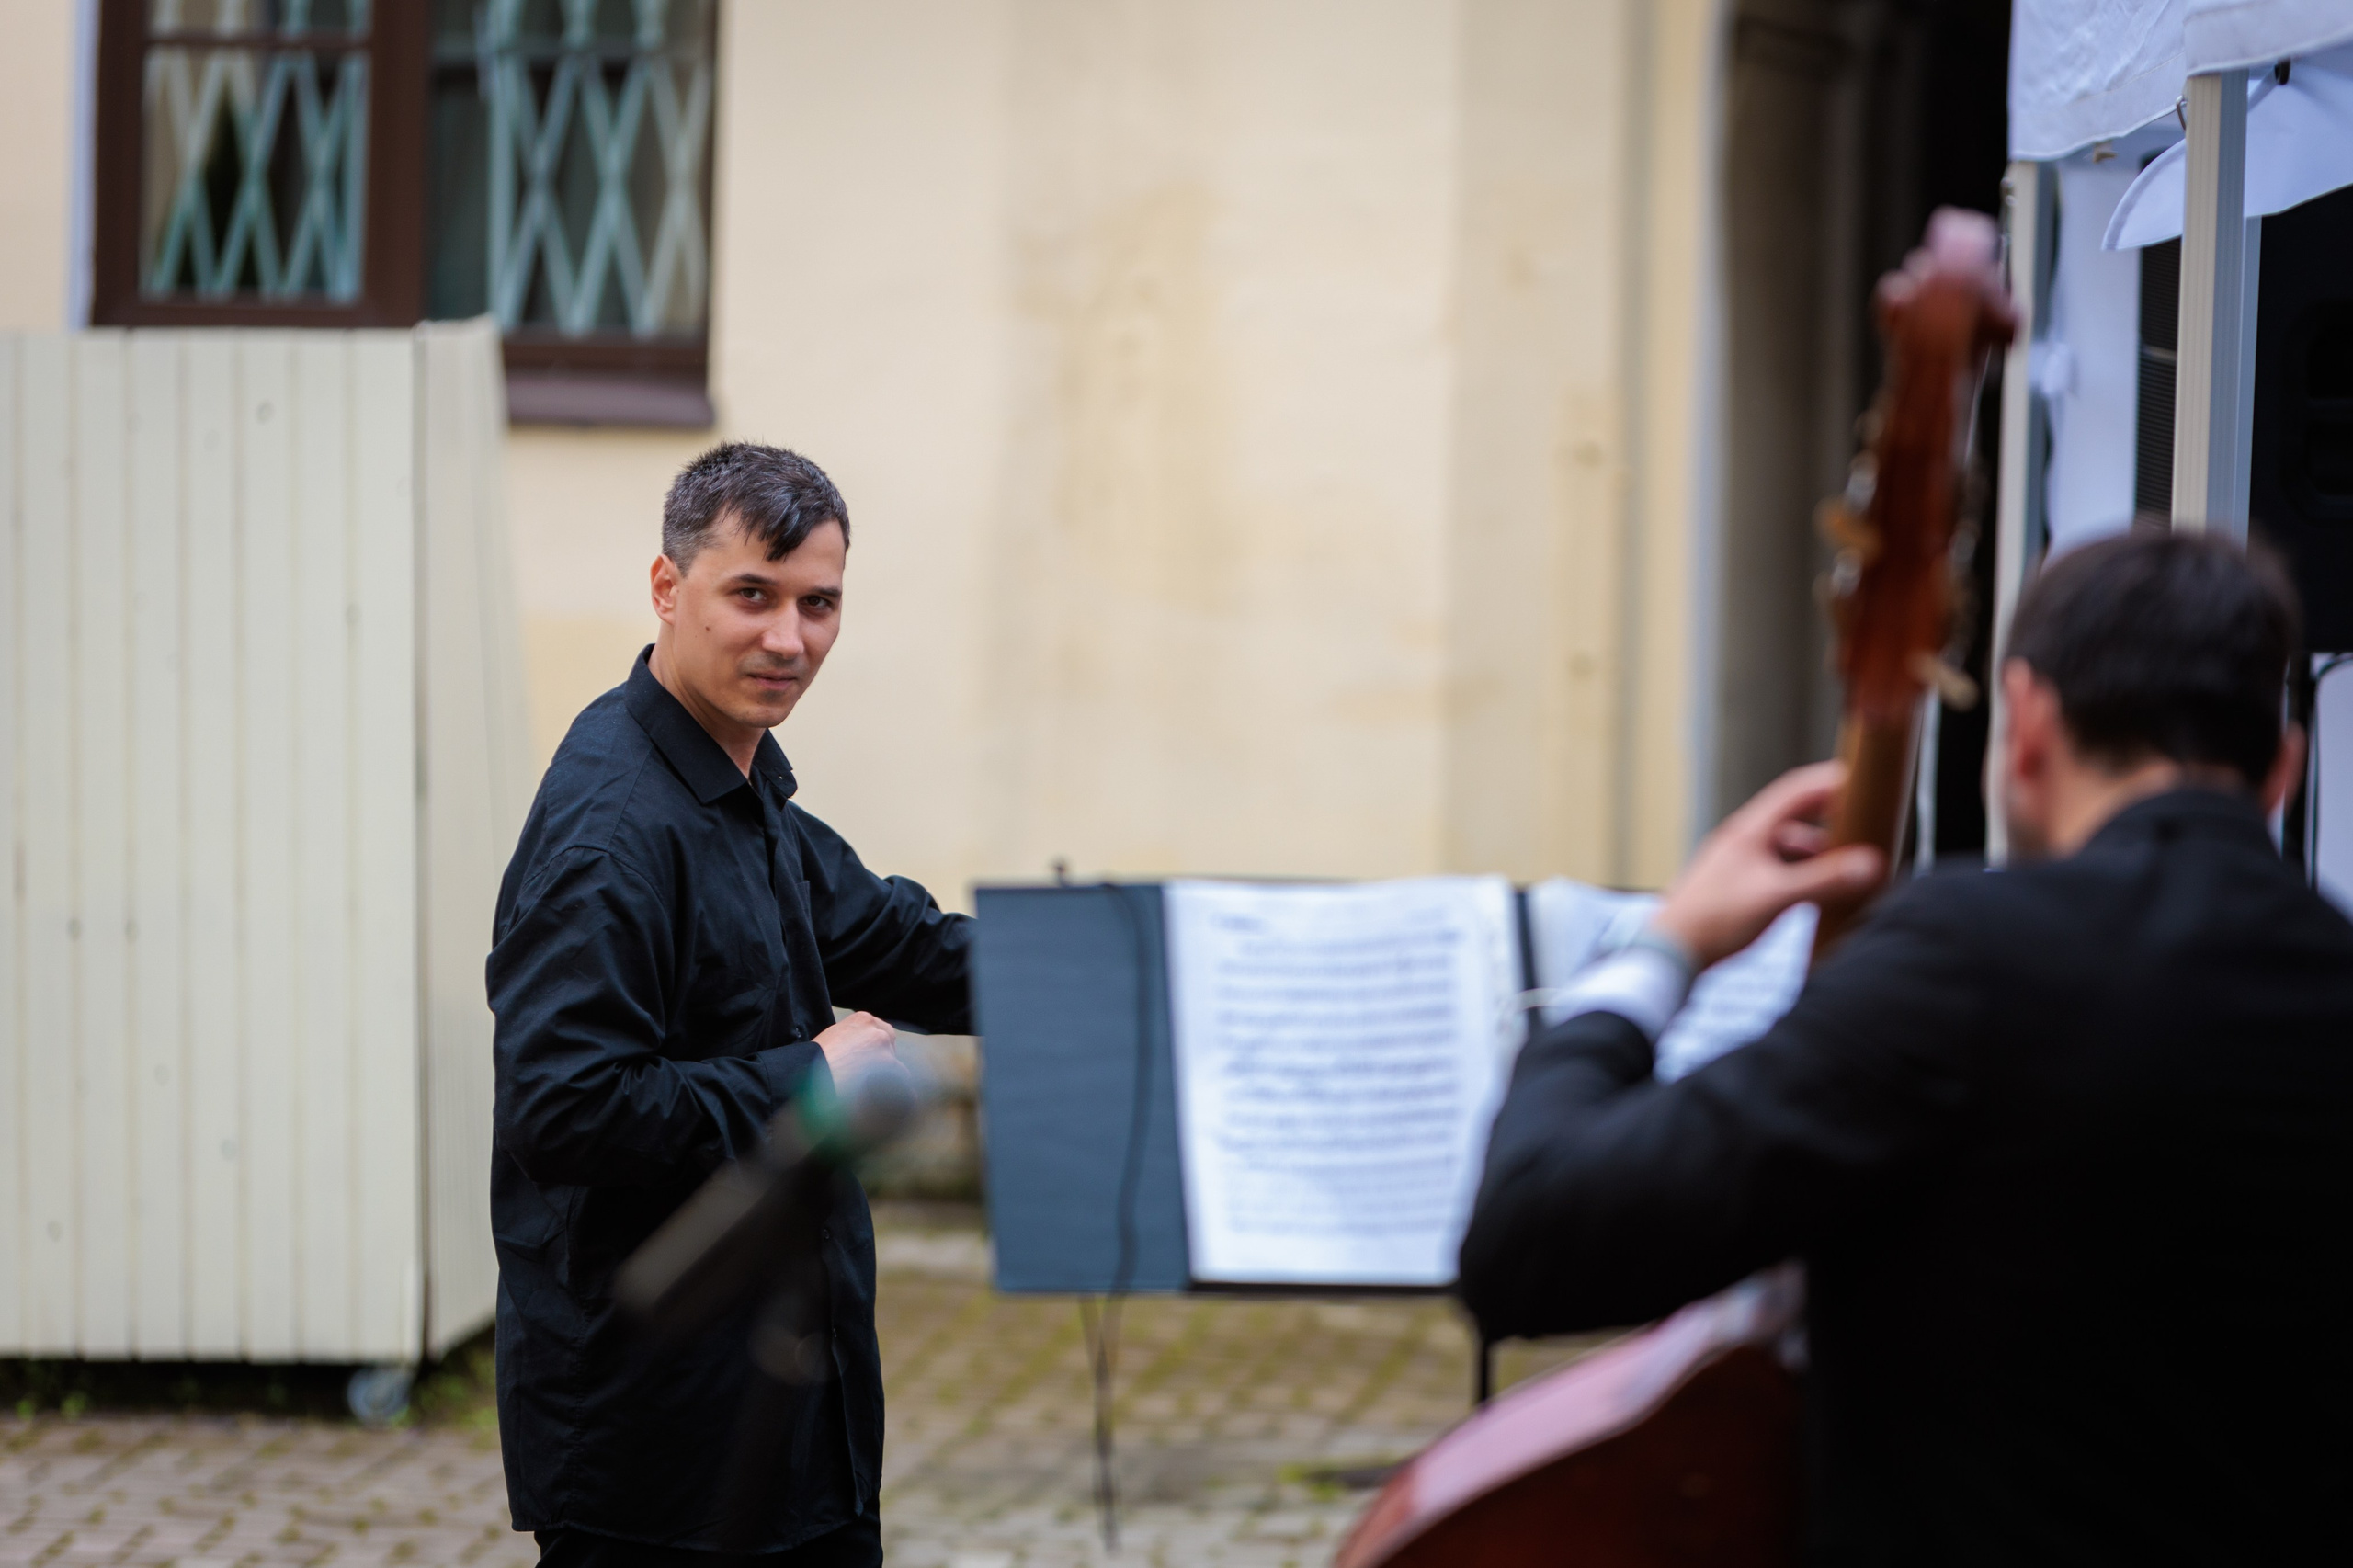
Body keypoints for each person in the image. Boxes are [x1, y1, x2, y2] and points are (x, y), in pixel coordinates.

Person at [1459, 529, 2351, 1563]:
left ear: (2024, 721)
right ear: (2283, 769)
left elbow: (1530, 1236)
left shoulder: (1967, 962)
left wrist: (1666, 946)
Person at [487, 444, 971, 1567]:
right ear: (668, 587)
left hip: (787, 1419)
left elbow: (893, 942)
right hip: (662, 1455)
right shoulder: (614, 829)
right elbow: (566, 1108)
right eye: (751, 594)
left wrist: (1126, 971)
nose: (789, 639)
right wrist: (807, 1079)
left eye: (819, 603)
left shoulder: (736, 778)